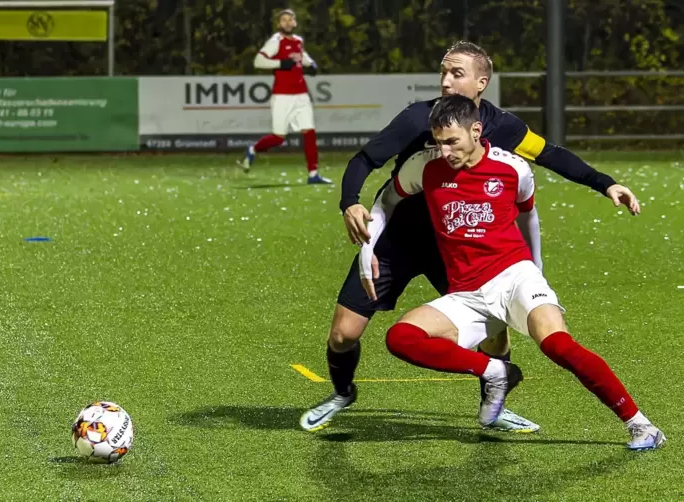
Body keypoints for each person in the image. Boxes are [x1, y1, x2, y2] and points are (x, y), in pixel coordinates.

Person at [299, 41, 640, 433]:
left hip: (458, 246)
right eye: (443, 73)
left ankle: (493, 404)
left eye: (456, 74)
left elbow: (551, 154)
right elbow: (364, 160)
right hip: (398, 241)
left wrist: (606, 184)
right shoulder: (417, 118)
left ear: (482, 82)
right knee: (344, 334)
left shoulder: (502, 125)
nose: (446, 82)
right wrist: (350, 202)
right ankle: (342, 393)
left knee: (494, 334)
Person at [369, 95, 664, 451]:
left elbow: (529, 215)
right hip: (466, 293)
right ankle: (495, 371)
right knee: (401, 337)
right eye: (439, 141)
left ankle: (641, 425)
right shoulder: (424, 166)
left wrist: (535, 270)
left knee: (557, 345)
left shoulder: (512, 167)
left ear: (476, 131)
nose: (445, 150)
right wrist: (367, 249)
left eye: (453, 141)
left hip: (514, 276)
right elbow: (386, 200)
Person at [239, 8, 331, 185]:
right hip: (282, 95)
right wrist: (280, 63)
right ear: (279, 24)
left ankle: (313, 175)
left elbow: (302, 57)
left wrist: (311, 64)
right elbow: (259, 60)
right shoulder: (276, 41)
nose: (288, 23)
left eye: (290, 20)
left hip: (301, 94)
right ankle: (253, 149)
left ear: (295, 23)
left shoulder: (298, 41)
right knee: (278, 137)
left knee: (309, 132)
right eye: (284, 20)